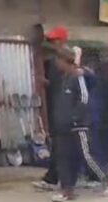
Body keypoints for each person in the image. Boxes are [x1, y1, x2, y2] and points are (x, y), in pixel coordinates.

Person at [50, 47, 108, 202]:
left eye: (58, 61)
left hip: (79, 125)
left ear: (65, 61)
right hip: (63, 126)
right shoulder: (64, 79)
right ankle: (67, 190)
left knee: (87, 155)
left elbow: (84, 98)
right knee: (64, 158)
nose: (56, 64)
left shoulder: (78, 76)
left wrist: (75, 117)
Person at [32, 26, 70, 191]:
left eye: (55, 40)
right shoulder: (57, 62)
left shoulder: (66, 61)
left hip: (65, 109)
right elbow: (57, 86)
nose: (54, 43)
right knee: (60, 145)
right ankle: (54, 178)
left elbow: (64, 87)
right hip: (58, 108)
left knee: (63, 145)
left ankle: (56, 179)